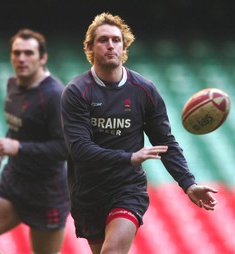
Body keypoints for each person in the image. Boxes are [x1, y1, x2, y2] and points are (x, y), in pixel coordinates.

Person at [61, 12, 218, 254]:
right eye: (103, 40)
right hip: (87, 192)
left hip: (127, 188)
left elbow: (165, 142)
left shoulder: (144, 90)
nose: (111, 45)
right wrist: (128, 157)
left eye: (116, 39)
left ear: (125, 46)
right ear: (90, 47)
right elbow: (80, 150)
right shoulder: (77, 92)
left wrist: (188, 184)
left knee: (111, 252)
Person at [0, 29, 70, 254]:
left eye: (28, 53)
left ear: (42, 58)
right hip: (14, 182)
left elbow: (64, 148)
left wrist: (18, 148)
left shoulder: (54, 95)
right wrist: (3, 150)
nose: (21, 59)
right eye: (16, 53)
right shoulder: (13, 85)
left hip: (46, 192)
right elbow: (18, 127)